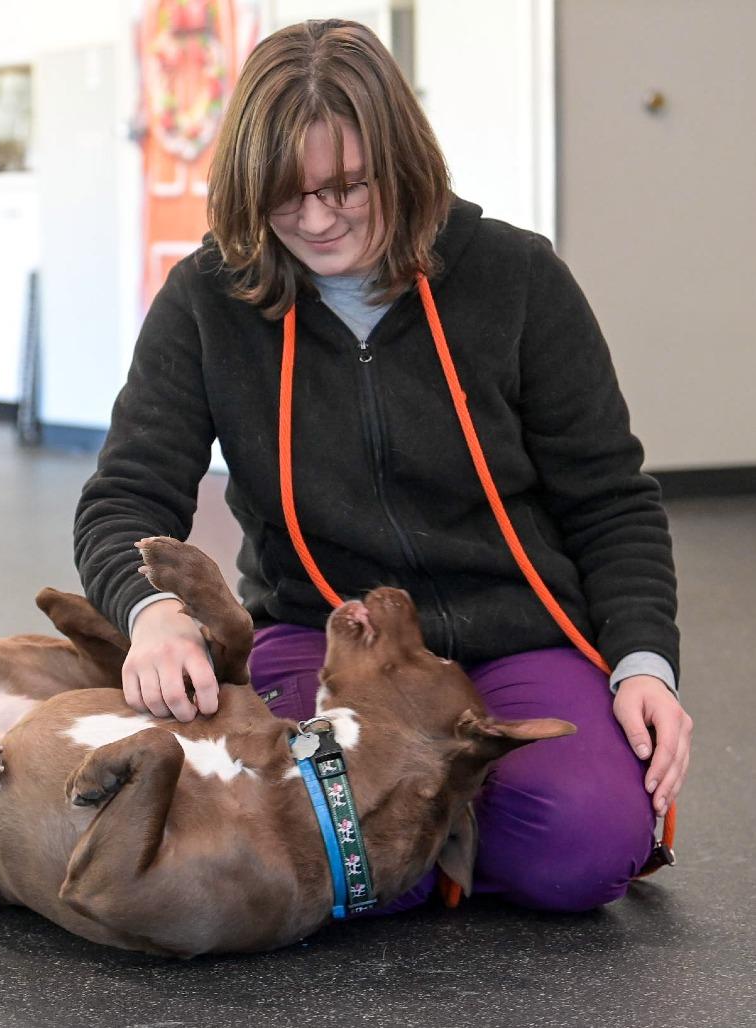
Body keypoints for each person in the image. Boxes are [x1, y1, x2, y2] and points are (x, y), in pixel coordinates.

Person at [73, 19, 692, 912]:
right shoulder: (208, 298)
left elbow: (611, 502)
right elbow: (125, 497)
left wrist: (641, 664)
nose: (317, 222)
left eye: (347, 188)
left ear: (401, 161)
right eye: (286, 198)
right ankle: (440, 825)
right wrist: (154, 613)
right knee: (331, 858)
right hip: (326, 636)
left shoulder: (517, 278)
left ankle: (468, 811)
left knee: (581, 851)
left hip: (520, 632)